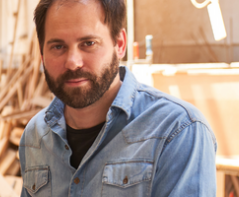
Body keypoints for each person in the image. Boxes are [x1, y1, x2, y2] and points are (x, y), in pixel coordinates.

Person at [19, 0, 217, 196]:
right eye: (58, 46)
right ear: (42, 54)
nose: (73, 62)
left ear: (120, 44)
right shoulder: (35, 136)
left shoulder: (178, 131)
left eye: (89, 43)